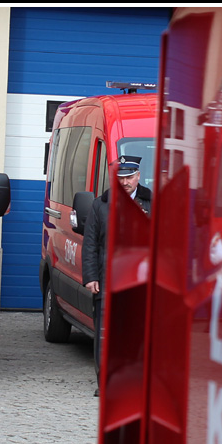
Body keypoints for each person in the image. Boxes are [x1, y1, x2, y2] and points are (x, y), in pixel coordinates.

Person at [82, 156, 152, 393]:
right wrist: (91, 276)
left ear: (138, 176)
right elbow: (90, 244)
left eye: (129, 177)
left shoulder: (152, 204)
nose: (125, 183)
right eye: (120, 178)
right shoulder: (100, 205)